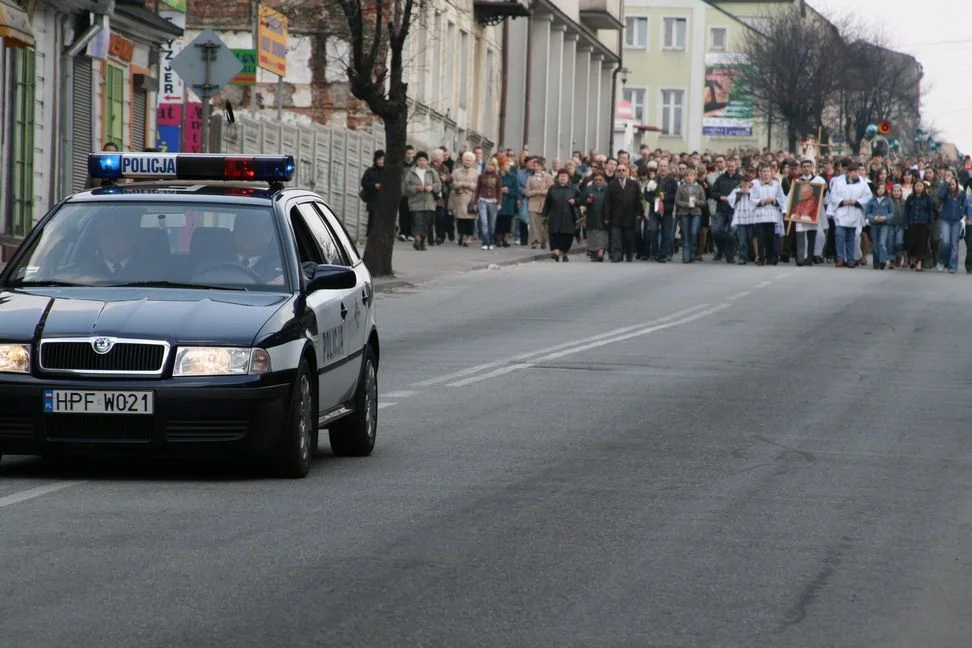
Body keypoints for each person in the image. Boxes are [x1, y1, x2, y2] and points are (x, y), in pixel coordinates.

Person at [604, 163, 643, 262]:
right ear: (616, 172)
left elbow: (638, 200)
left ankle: (629, 253)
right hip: (615, 216)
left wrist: (639, 212)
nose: (621, 172)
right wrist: (606, 216)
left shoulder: (634, 184)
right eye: (619, 170)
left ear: (627, 171)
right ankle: (617, 255)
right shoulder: (611, 185)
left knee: (628, 237)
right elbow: (607, 202)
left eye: (623, 170)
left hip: (629, 215)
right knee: (616, 237)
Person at [403, 151, 441, 251]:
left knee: (426, 223)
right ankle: (417, 239)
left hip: (429, 202)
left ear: (427, 161)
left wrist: (431, 187)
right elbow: (406, 187)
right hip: (415, 202)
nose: (422, 162)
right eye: (420, 160)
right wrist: (416, 188)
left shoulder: (432, 172)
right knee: (417, 221)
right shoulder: (411, 173)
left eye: (424, 160)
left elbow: (438, 185)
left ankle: (423, 241)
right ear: (416, 161)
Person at [542, 168, 580, 262]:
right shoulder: (552, 188)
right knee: (554, 234)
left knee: (567, 236)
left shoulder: (574, 188)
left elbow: (580, 199)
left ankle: (565, 253)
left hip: (569, 216)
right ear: (558, 178)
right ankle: (556, 252)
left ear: (568, 178)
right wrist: (544, 214)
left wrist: (575, 201)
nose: (562, 178)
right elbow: (547, 202)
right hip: (555, 215)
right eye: (561, 176)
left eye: (565, 176)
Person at [360, 150, 384, 237]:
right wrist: (374, 185)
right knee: (373, 218)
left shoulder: (387, 172)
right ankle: (371, 236)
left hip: (384, 200)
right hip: (373, 199)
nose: (381, 161)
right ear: (375, 160)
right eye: (379, 159)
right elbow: (364, 183)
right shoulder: (370, 171)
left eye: (383, 159)